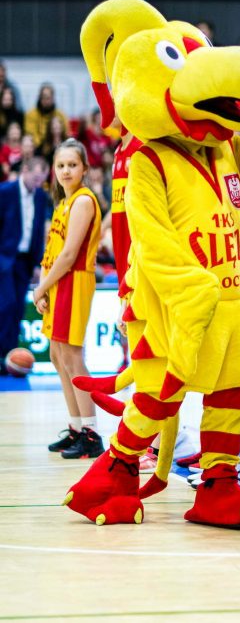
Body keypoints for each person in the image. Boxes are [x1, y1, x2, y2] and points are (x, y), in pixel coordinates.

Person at [34, 139, 103, 459]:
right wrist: (44, 287)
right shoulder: (63, 203)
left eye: (72, 165)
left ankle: (91, 433)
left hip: (74, 280)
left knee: (72, 355)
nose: (65, 171)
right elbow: (52, 253)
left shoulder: (83, 201)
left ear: (85, 169)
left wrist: (41, 287)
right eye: (60, 165)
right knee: (56, 354)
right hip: (58, 282)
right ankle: (76, 426)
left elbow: (69, 254)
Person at [0, 157, 49, 373]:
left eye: (42, 179)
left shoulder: (40, 196)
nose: (38, 183)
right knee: (6, 304)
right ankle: (2, 355)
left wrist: (38, 264)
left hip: (25, 261)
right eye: (36, 178)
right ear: (25, 171)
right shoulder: (5, 191)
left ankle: (10, 357)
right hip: (4, 257)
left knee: (18, 307)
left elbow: (38, 233)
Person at [24, 84, 69, 152]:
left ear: (53, 99)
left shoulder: (61, 115)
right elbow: (31, 135)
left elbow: (66, 134)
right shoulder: (31, 114)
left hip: (58, 147)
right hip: (38, 149)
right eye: (43, 98)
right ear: (40, 98)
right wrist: (46, 146)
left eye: (48, 98)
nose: (46, 101)